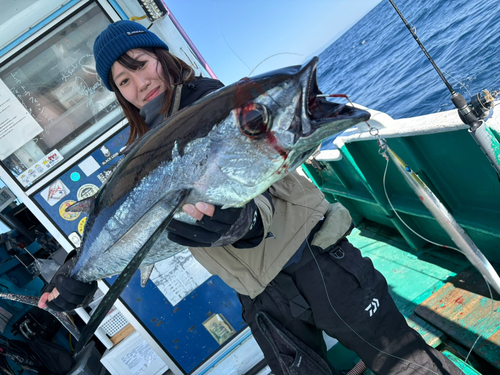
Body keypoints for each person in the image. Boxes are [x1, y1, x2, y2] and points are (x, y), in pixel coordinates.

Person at [39, 20, 462, 375]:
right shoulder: (141, 150)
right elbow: (120, 227)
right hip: (260, 295)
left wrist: (246, 222)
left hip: (313, 257)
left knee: (405, 364)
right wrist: (74, 275)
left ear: (161, 57)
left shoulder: (211, 102)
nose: (139, 83)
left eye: (140, 65)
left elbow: (251, 184)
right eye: (123, 81)